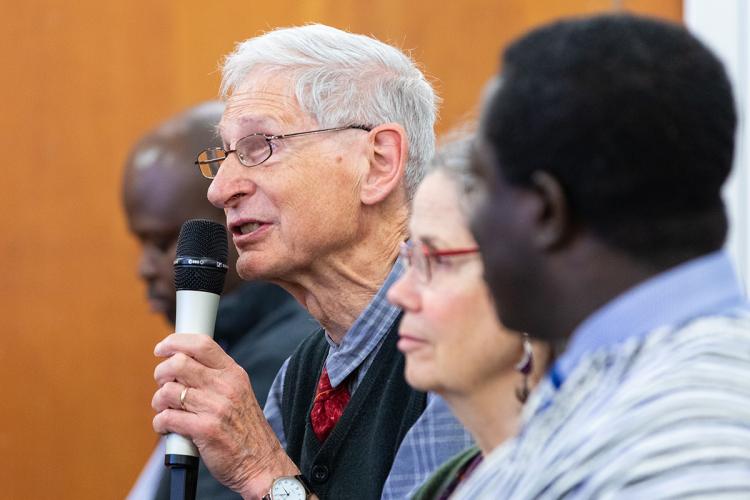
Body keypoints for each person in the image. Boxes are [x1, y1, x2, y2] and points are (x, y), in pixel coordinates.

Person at [149, 25, 472, 500]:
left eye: (260, 146)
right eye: (224, 155)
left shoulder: (460, 347)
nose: (220, 190)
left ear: (379, 162)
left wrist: (262, 471)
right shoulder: (305, 371)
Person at [455, 14, 750, 498]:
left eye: (482, 185)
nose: (473, 221)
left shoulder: (684, 442)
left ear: (547, 210)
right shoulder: (617, 377)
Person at [122, 101, 315, 500]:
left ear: (235, 219)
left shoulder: (281, 357)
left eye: (162, 242)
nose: (145, 268)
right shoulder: (230, 343)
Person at [386, 137, 551, 499]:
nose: (399, 293)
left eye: (438, 260)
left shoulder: (604, 476)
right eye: (411, 259)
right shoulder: (445, 486)